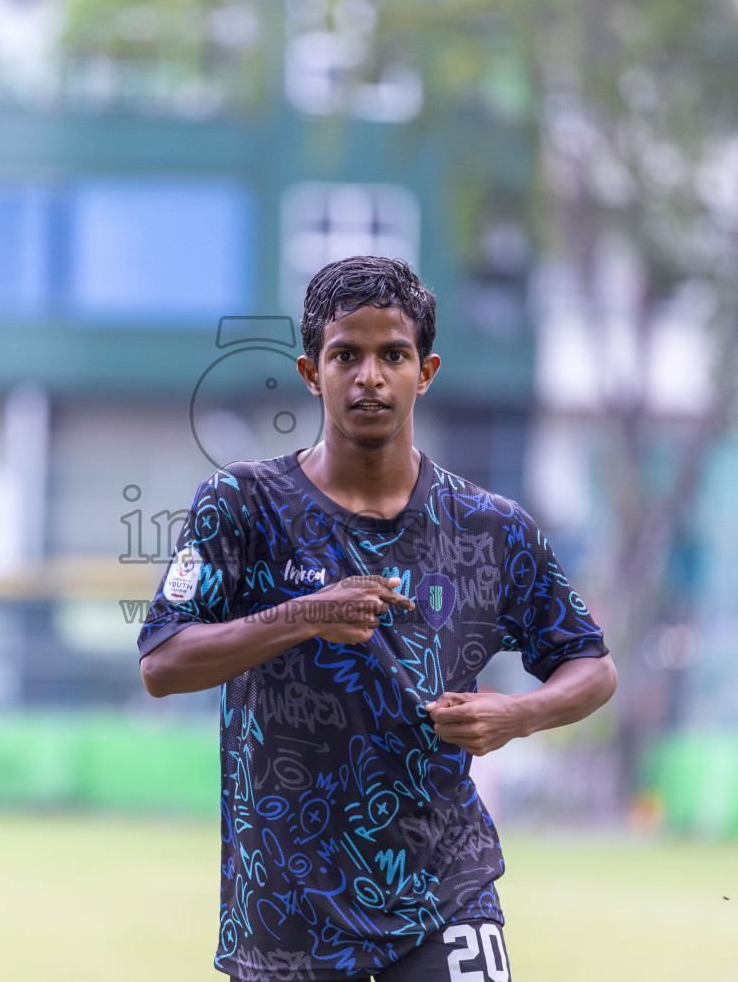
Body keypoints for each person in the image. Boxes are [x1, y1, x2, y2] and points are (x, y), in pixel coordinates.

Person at [138, 255, 618, 982]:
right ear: (310, 372)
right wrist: (304, 614)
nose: (370, 376)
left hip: (444, 895)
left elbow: (593, 665)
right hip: (286, 920)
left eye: (392, 355)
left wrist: (518, 714)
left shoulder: (491, 528)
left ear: (425, 371)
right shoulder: (241, 504)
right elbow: (163, 662)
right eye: (346, 356)